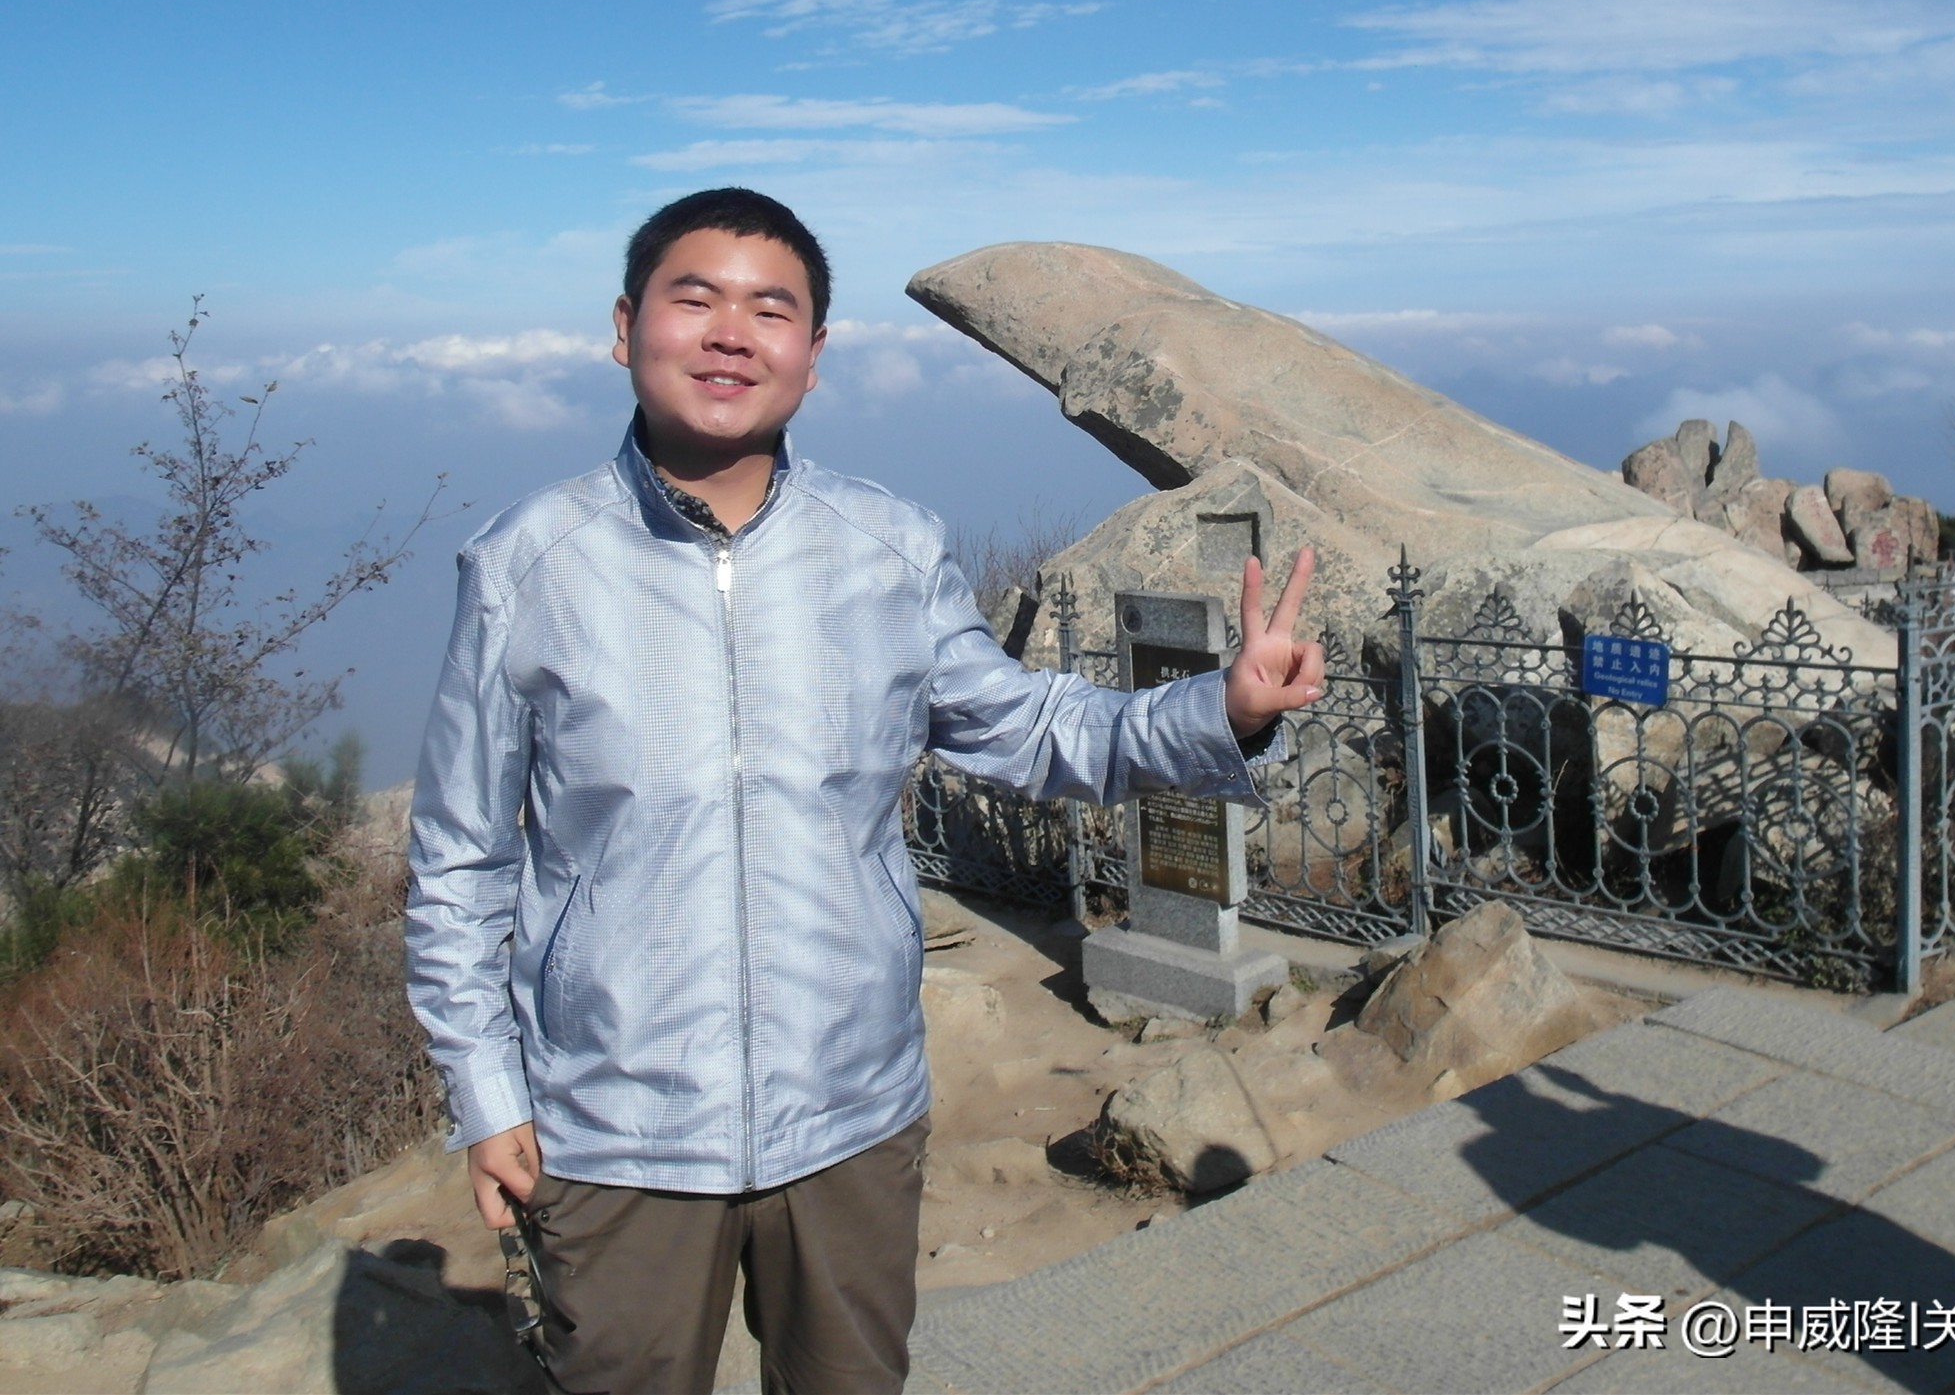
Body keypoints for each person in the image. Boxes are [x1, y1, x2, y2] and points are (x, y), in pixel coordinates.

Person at [404, 187, 1325, 1395]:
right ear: (624, 328)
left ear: (813, 355)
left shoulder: (886, 549)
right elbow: (460, 857)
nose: (731, 332)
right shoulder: (530, 564)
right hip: (616, 1125)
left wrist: (1226, 708)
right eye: (695, 298)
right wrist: (485, 1089)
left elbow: (1029, 730)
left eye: (769, 309)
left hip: (848, 1113)